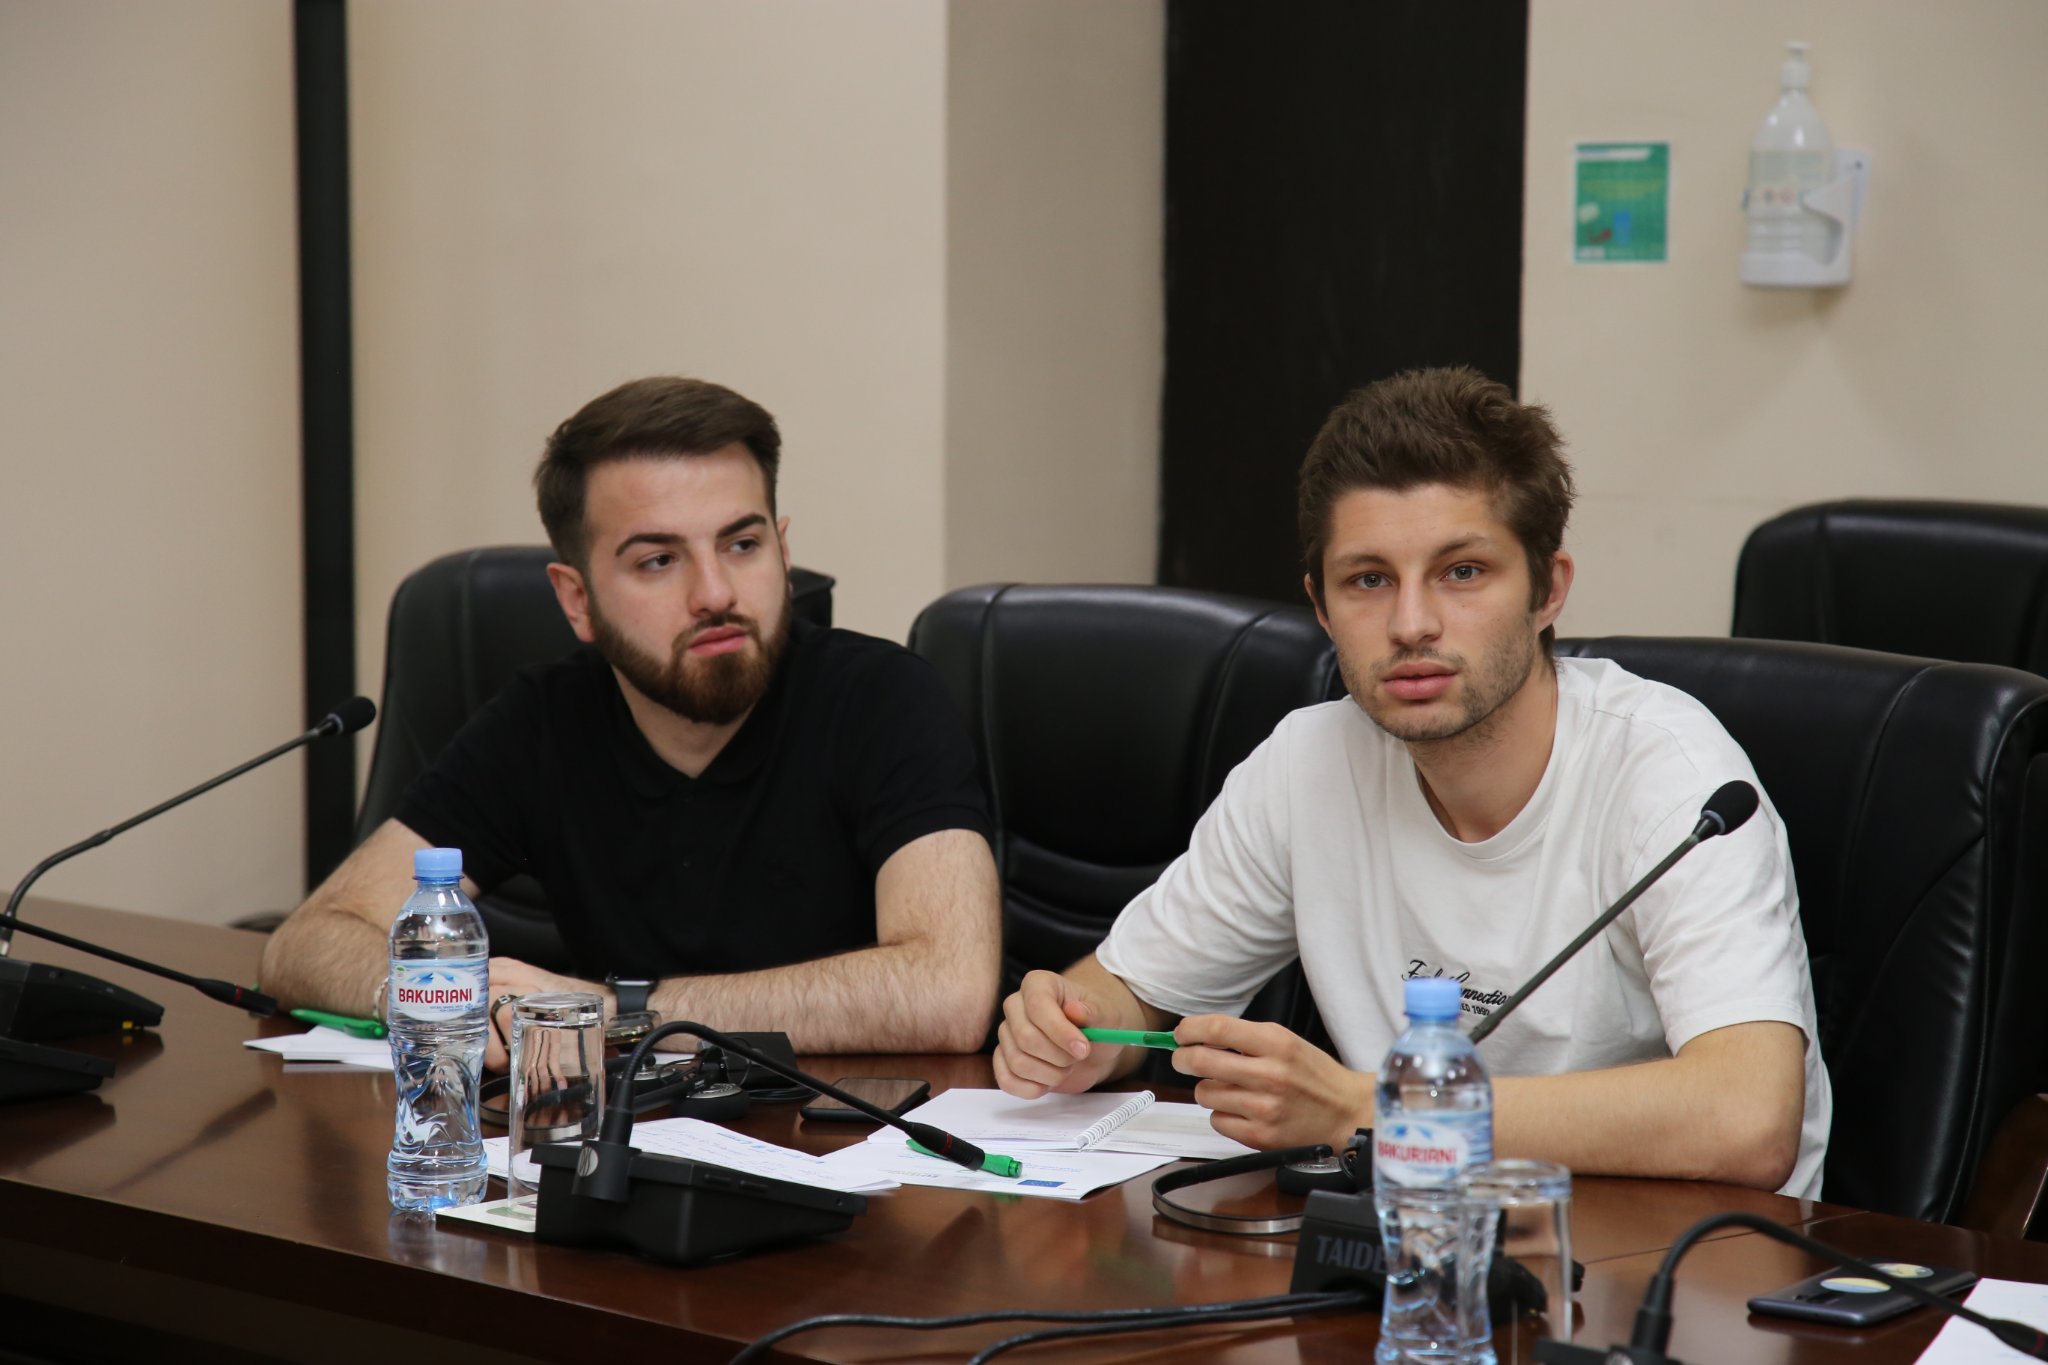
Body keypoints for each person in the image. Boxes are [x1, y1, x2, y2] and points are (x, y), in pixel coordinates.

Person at [993, 366, 1830, 1196]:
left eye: (1462, 571)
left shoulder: (1675, 777)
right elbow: (1132, 992)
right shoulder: (1309, 763)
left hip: (1676, 1251)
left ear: (1548, 590)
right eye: (1369, 580)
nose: (1411, 623)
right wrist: (1073, 1029)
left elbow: (1749, 1119)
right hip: (1415, 1236)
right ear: (1322, 607)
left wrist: (1373, 1107)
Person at [263, 376, 1001, 1064]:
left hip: (851, 1135)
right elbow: (307, 942)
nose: (715, 593)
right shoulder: (544, 720)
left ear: (783, 550)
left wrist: (616, 1013)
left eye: (742, 545)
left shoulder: (881, 698)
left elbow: (948, 990)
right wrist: (434, 996)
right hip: (613, 1129)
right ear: (577, 599)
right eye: (658, 561)